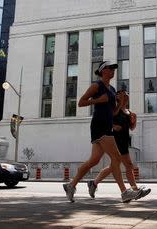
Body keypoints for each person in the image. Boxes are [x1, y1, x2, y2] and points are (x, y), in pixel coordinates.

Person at [63, 61, 142, 203]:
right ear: (103, 70)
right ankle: (125, 192)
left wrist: (119, 104)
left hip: (107, 125)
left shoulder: (112, 89)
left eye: (113, 69)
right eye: (110, 68)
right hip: (99, 125)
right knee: (116, 158)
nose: (113, 71)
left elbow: (112, 112)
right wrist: (98, 100)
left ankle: (71, 185)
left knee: (94, 160)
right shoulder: (96, 86)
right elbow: (81, 102)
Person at [87, 90, 151, 200]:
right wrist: (114, 126)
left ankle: (94, 183)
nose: (126, 97)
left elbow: (131, 128)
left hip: (124, 141)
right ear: (118, 98)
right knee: (128, 165)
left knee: (113, 167)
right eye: (123, 96)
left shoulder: (128, 112)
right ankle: (135, 190)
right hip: (114, 140)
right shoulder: (114, 109)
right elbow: (107, 120)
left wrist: (134, 120)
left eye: (127, 96)